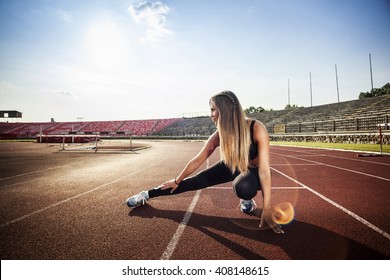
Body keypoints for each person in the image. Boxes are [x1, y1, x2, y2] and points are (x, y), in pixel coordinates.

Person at [126, 90, 284, 234]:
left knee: (243, 186)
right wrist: (177, 180)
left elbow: (264, 171)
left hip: (254, 171)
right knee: (194, 181)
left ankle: (247, 200)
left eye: (213, 109)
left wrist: (267, 209)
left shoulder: (256, 128)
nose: (211, 114)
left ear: (224, 110)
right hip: (233, 165)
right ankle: (146, 194)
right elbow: (197, 161)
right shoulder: (219, 135)